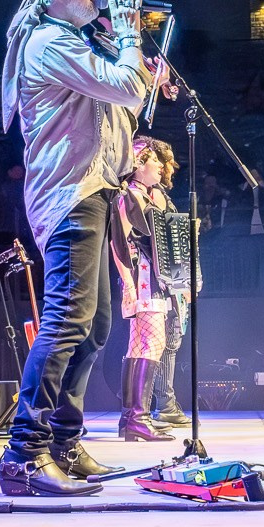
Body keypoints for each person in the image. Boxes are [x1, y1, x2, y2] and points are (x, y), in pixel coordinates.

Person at [0, 0, 164, 495]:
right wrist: (132, 41)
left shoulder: (77, 43)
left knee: (94, 328)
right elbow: (126, 88)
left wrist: (134, 57)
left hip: (93, 192)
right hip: (70, 194)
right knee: (68, 319)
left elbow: (126, 106)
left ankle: (63, 443)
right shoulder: (50, 42)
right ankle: (23, 453)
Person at [109, 136, 196, 441]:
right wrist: (129, 285)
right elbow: (118, 243)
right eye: (153, 160)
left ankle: (132, 418)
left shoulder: (152, 196)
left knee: (140, 345)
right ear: (138, 164)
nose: (160, 165)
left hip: (155, 278)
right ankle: (137, 416)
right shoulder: (127, 197)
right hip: (142, 276)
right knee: (151, 344)